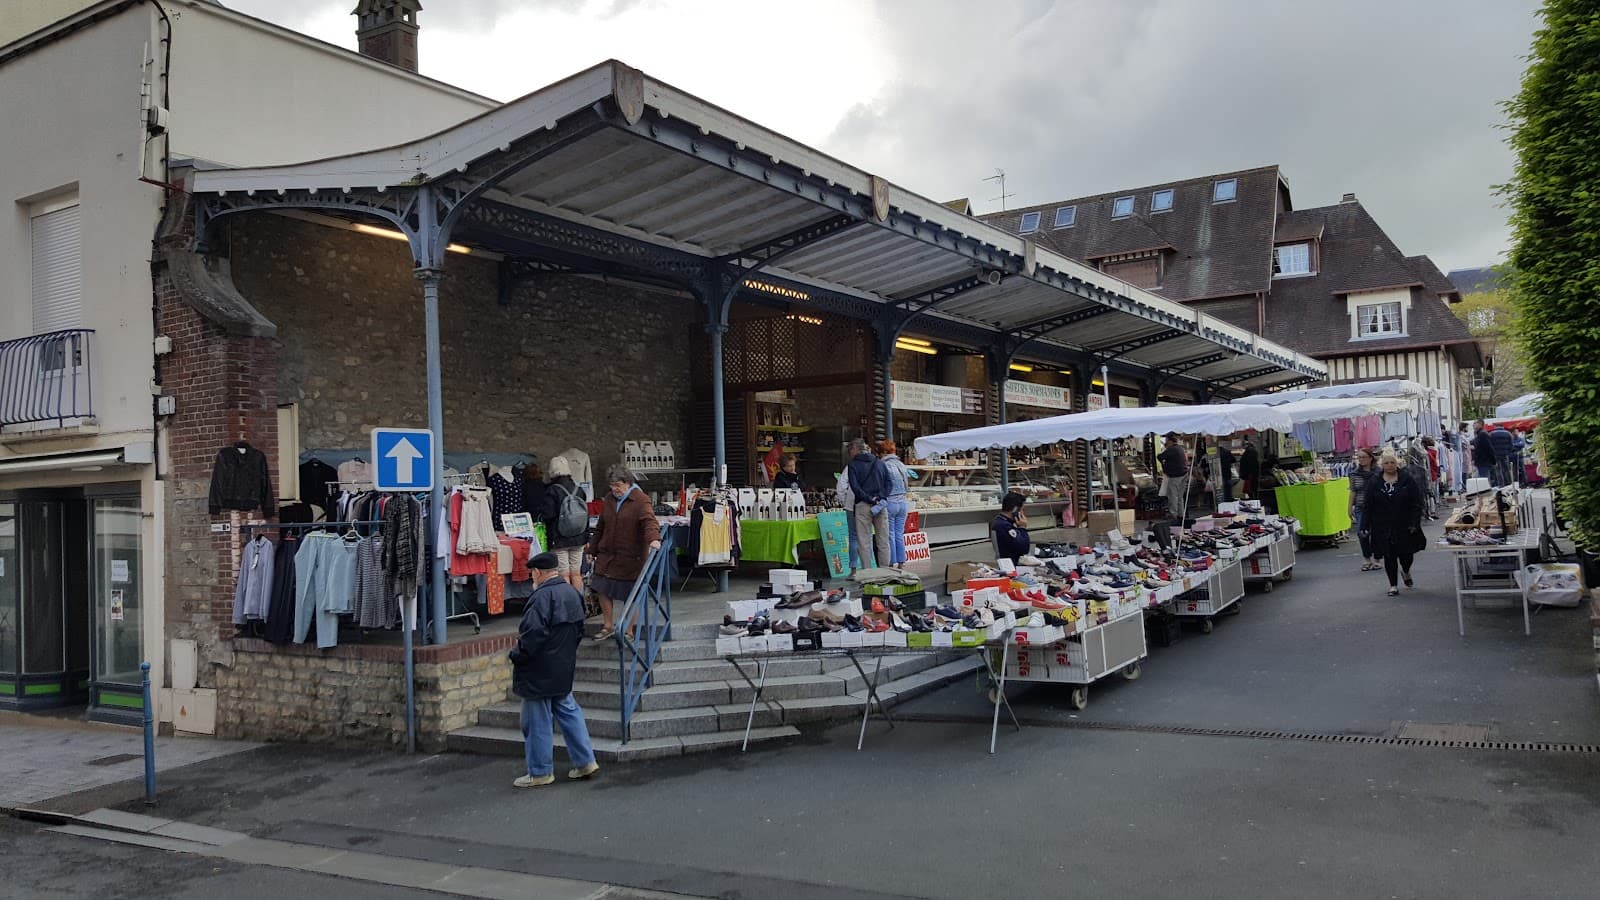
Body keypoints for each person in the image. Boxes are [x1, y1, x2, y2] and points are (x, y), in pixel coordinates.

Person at [509, 551, 599, 788]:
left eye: (532, 573)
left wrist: (516, 655)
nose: (532, 577)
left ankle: (540, 771)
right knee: (569, 712)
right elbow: (580, 630)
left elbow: (531, 637)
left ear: (538, 573)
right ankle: (585, 761)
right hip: (563, 665)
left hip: (538, 668)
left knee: (536, 720)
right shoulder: (572, 593)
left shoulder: (541, 598)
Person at [586, 464, 661, 642]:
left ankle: (628, 631)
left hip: (630, 555)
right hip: (608, 553)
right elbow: (601, 526)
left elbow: (649, 522)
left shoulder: (641, 500)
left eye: (618, 485)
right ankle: (608, 626)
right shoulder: (609, 499)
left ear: (627, 483)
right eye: (612, 485)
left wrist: (653, 539)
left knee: (631, 593)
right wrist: (593, 548)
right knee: (601, 587)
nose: (614, 489)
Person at [1361, 450, 1425, 597]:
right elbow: (1368, 504)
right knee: (1389, 555)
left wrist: (1414, 521)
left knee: (1406, 555)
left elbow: (1417, 502)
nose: (1390, 465)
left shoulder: (1406, 479)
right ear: (1381, 465)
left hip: (1404, 523)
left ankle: (1406, 571)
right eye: (1386, 463)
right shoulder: (1375, 481)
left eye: (1392, 462)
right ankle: (1393, 585)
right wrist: (1365, 525)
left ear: (1397, 464)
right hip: (1382, 524)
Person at [541, 455, 587, 594]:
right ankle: (579, 604)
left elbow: (548, 515)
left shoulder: (552, 490)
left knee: (564, 575)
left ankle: (567, 606)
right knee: (576, 574)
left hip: (559, 538)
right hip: (579, 537)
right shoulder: (579, 489)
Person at [846, 438, 890, 570]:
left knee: (864, 541)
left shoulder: (853, 465)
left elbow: (855, 487)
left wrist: (869, 498)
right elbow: (889, 483)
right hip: (880, 505)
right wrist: (879, 498)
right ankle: (885, 570)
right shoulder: (879, 462)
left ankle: (868, 573)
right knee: (883, 540)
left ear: (855, 450)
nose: (850, 452)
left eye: (850, 450)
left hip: (863, 505)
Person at [877, 440, 915, 568]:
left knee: (890, 534)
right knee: (899, 533)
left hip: (890, 502)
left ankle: (891, 561)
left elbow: (881, 485)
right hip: (903, 503)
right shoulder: (901, 465)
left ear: (883, 452)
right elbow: (906, 484)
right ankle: (902, 561)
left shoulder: (883, 465)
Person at [1349, 447, 1378, 571]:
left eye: (1363, 457)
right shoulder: (1354, 473)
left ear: (1371, 458)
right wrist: (1349, 507)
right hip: (1361, 506)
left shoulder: (1379, 472)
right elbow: (1352, 491)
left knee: (1377, 533)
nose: (1361, 460)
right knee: (1362, 533)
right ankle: (1367, 558)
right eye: (1359, 457)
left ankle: (1377, 558)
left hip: (1377, 506)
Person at [1158, 433, 1191, 521]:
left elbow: (1160, 456)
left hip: (1176, 475)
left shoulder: (1172, 449)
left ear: (1170, 441)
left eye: (1166, 441)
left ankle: (1173, 514)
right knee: (1179, 496)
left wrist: (1164, 465)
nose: (1166, 443)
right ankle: (1181, 514)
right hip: (1183, 473)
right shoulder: (1180, 448)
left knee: (1173, 495)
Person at [992, 491, 1030, 561]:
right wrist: (1022, 528)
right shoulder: (1004, 526)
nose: (1023, 513)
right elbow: (1024, 548)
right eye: (1022, 510)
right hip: (1009, 565)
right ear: (1015, 509)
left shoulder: (1001, 521)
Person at [1421, 436, 1441, 518]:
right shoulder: (1434, 451)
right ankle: (1432, 511)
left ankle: (1431, 511)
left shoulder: (1427, 453)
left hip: (1430, 475)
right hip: (1434, 474)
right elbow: (1436, 464)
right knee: (1433, 492)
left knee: (1430, 493)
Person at [1216, 440, 1237, 509]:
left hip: (1220, 472)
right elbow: (1234, 460)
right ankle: (1229, 499)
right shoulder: (1227, 452)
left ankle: (1223, 501)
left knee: (1221, 488)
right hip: (1227, 471)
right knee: (1228, 486)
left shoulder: (1216, 454)